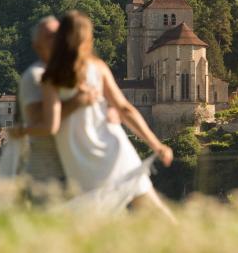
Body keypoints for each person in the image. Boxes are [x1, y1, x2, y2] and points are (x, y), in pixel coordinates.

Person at [13, 11, 175, 221]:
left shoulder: (51, 78)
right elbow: (126, 109)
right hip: (115, 150)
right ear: (87, 38)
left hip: (81, 163)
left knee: (94, 224)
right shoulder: (97, 68)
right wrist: (157, 145)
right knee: (156, 212)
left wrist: (22, 130)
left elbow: (50, 127)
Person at [17, 16, 98, 183]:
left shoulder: (71, 70)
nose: (57, 40)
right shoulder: (35, 76)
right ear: (37, 46)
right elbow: (44, 124)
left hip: (74, 166)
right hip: (48, 170)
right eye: (50, 36)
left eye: (59, 35)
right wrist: (79, 101)